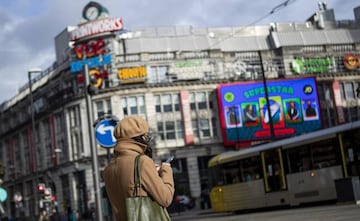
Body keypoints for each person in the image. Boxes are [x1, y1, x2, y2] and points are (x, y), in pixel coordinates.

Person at [103, 116, 175, 221]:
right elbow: (165, 198)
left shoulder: (108, 170)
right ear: (140, 137)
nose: (147, 140)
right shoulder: (143, 162)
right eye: (146, 136)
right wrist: (166, 170)